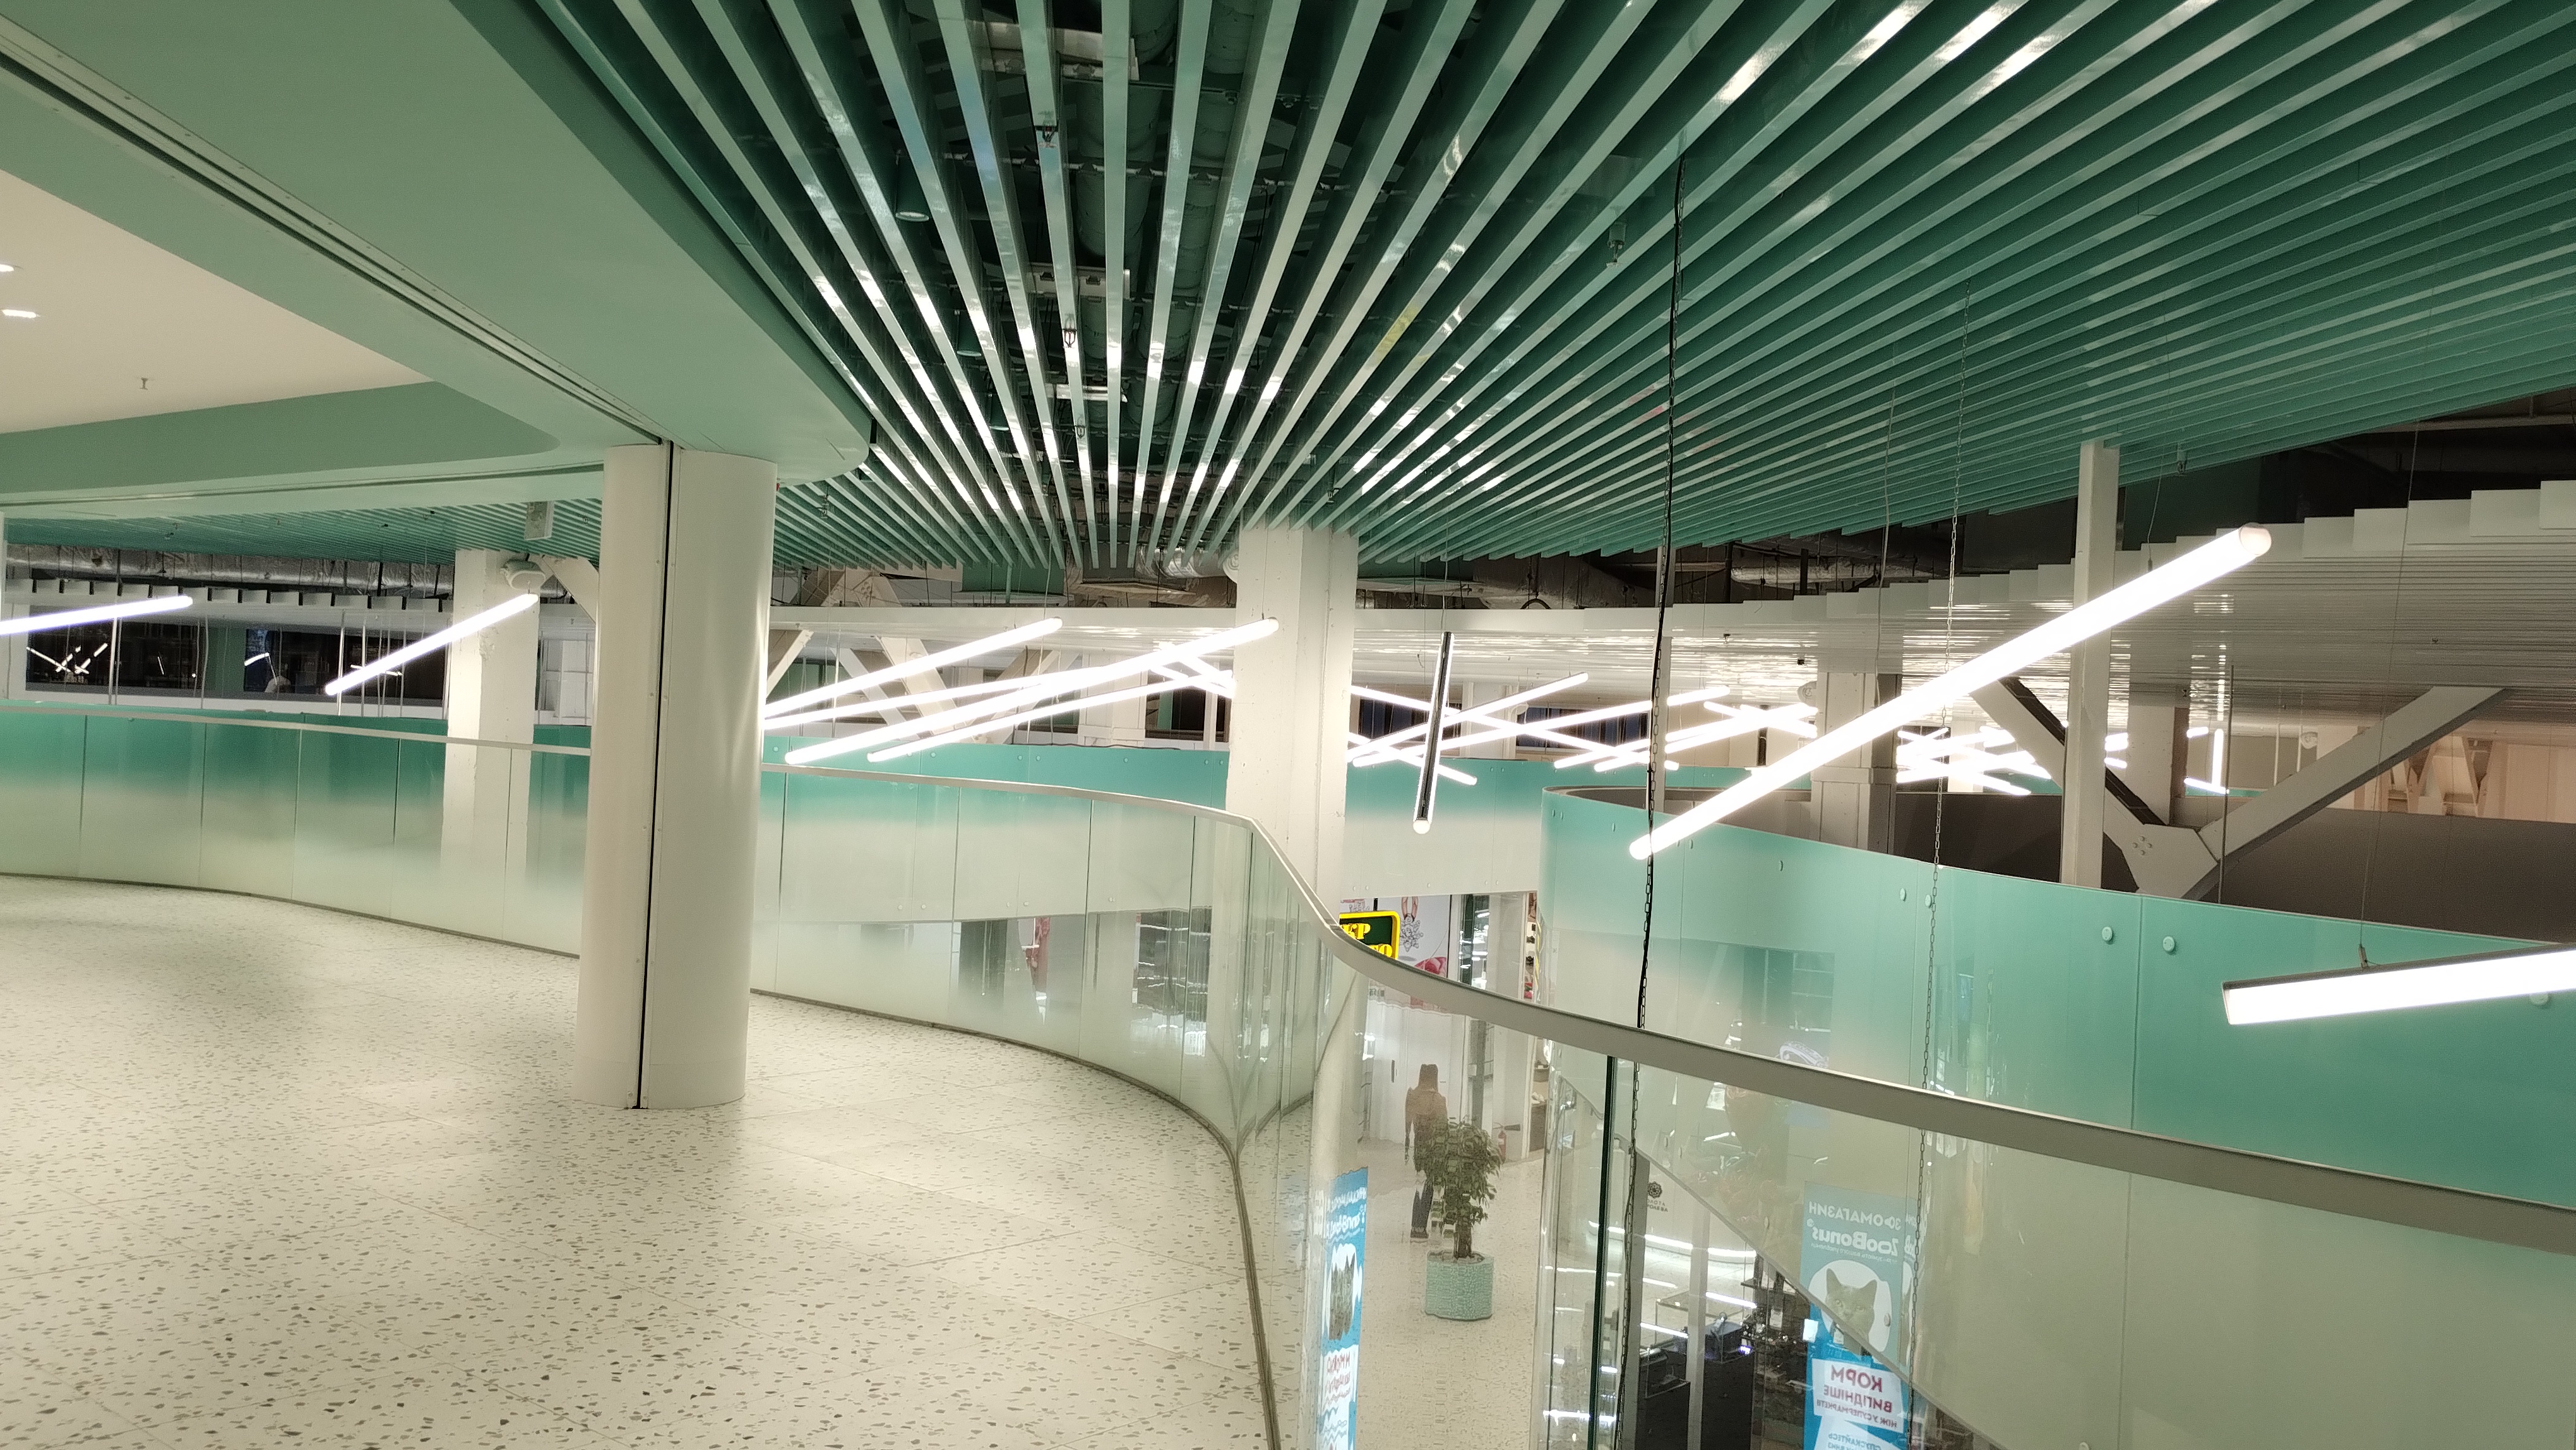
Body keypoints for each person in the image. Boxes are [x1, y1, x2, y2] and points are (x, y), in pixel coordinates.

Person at [1405, 1064, 1447, 1240]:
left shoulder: (1412, 1095)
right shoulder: (1438, 1099)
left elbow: (1408, 1123)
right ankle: (1422, 1227)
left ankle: (1416, 1225)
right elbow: (1444, 1127)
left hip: (1419, 1149)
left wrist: (1408, 1142)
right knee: (1431, 1186)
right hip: (1434, 1150)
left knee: (1419, 1185)